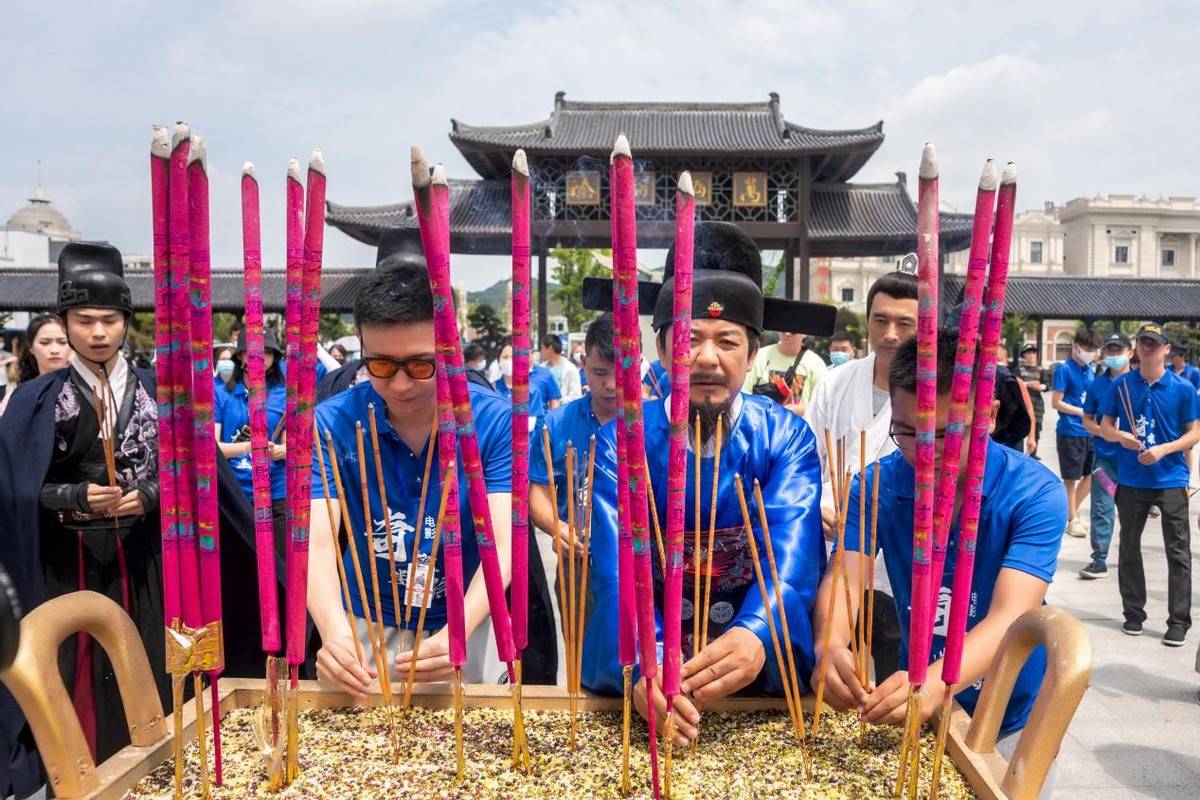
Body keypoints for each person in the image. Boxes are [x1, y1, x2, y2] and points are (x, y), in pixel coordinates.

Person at [0, 243, 254, 786]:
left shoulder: (157, 393)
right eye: (84, 320)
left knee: (153, 679)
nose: (97, 332)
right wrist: (72, 498)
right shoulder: (36, 400)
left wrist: (153, 496)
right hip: (64, 572)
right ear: (63, 321)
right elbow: (15, 492)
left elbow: (196, 473)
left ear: (125, 322)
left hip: (146, 566)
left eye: (109, 320)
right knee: (76, 689)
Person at [580, 221, 831, 746]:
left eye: (727, 341)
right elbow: (614, 572)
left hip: (755, 676)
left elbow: (794, 557)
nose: (708, 358)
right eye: (690, 339)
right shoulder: (619, 444)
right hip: (649, 674)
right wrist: (649, 658)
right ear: (663, 347)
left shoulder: (785, 438)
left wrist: (758, 631)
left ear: (754, 353)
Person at [816, 329, 1066, 748]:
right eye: (908, 433)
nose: (926, 453)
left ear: (988, 414)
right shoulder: (876, 487)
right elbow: (845, 577)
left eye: (948, 434)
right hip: (917, 696)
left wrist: (935, 683)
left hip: (1008, 712)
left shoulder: (1035, 493)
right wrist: (829, 642)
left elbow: (1010, 615)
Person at [307, 262, 515, 695]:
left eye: (421, 366)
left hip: (469, 617)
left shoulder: (492, 421)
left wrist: (461, 625)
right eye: (381, 365)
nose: (400, 385)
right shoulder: (331, 423)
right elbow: (318, 541)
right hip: (365, 621)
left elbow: (503, 540)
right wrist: (333, 632)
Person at [806, 269, 917, 682]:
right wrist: (819, 505)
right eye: (880, 320)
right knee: (833, 667)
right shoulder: (835, 383)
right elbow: (806, 459)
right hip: (834, 540)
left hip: (896, 556)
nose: (890, 334)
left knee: (895, 665)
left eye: (905, 323)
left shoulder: (931, 393)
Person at [529, 314, 620, 683]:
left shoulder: (655, 420)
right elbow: (537, 492)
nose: (612, 385)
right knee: (583, 658)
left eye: (620, 372)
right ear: (583, 364)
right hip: (579, 560)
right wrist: (557, 526)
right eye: (599, 373)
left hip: (640, 561)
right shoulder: (559, 424)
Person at [1099, 323, 1200, 646]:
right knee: (1129, 545)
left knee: (1178, 551)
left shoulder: (1183, 388)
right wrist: (1121, 438)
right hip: (1131, 477)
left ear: (1166, 349)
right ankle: (1133, 613)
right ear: (1136, 348)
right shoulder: (1122, 386)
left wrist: (1165, 449)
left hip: (1171, 476)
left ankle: (1179, 620)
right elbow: (1104, 426)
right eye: (1143, 342)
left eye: (1154, 344)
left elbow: (1194, 433)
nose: (1147, 348)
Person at [1079, 334, 1132, 579]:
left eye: (1118, 351)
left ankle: (1131, 558)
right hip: (1105, 459)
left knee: (1132, 510)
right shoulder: (1097, 386)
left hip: (1135, 462)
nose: (1113, 356)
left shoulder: (1140, 383)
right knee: (1101, 508)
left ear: (1130, 352)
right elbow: (1087, 419)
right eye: (1109, 351)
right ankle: (1099, 559)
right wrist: (1104, 432)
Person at [1052, 328, 1100, 538]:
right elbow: (1057, 402)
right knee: (1070, 477)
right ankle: (1072, 519)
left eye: (1093, 349)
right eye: (1087, 348)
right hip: (1070, 430)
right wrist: (1080, 412)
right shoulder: (1064, 370)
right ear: (1076, 346)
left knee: (1093, 474)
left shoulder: (1091, 370)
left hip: (1090, 431)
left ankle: (1073, 512)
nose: (1090, 353)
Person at [744, 330, 827, 416]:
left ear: (804, 333)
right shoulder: (760, 356)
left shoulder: (816, 364)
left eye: (793, 331)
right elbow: (743, 393)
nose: (787, 334)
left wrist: (803, 410)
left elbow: (823, 406)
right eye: (783, 329)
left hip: (799, 425)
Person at [0, 314, 70, 416]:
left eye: (62, 342)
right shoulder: (17, 395)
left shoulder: (85, 389)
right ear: (30, 347)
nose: (55, 350)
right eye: (45, 342)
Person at [1018, 345, 1049, 457]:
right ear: (1024, 355)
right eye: (1029, 353)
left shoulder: (1041, 370)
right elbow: (1016, 383)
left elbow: (1047, 386)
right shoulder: (1019, 369)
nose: (1032, 355)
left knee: (1036, 430)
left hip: (1037, 405)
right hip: (1023, 404)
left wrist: (1040, 386)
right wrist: (1028, 384)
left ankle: (1033, 453)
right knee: (1020, 428)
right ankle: (1019, 453)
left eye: (1034, 353)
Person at [540, 333, 582, 403]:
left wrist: (557, 401)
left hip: (564, 411)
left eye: (542, 348)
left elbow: (576, 396)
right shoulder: (541, 368)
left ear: (550, 348)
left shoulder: (571, 369)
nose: (541, 351)